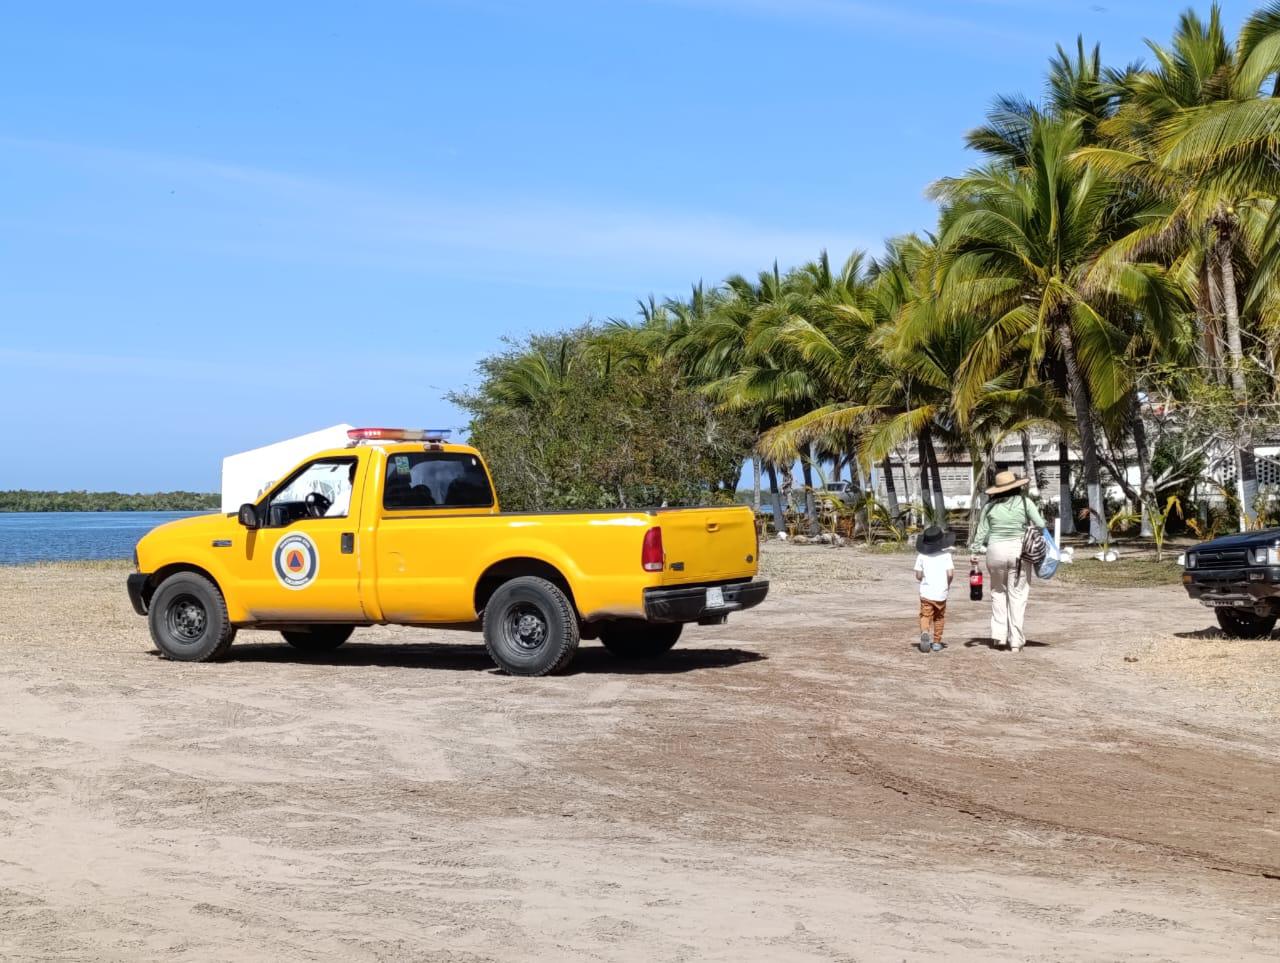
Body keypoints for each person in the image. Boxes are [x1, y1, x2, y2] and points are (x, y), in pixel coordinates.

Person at [969, 470, 1045, 652]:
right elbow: (1041, 524)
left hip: (994, 551)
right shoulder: (1025, 502)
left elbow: (981, 532)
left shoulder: (989, 506)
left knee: (998, 592)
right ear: (1016, 486)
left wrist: (974, 551)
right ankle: (1016, 641)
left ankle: (999, 637)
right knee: (1017, 596)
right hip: (1018, 551)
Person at [914, 525, 955, 653]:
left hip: (926, 592)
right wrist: (947, 585)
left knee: (925, 615)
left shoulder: (921, 556)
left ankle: (925, 631)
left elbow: (918, 575)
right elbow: (950, 574)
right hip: (941, 592)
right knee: (939, 617)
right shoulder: (946, 555)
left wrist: (923, 580)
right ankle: (937, 642)